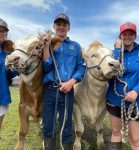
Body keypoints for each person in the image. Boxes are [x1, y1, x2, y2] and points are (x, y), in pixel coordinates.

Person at [42, 13, 85, 150]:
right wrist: (46, 47)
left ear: (69, 27)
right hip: (50, 89)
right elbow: (46, 66)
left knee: (66, 123)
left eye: (64, 24)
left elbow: (81, 67)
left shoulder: (75, 46)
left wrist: (71, 82)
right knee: (48, 123)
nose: (61, 27)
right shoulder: (49, 44)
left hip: (67, 90)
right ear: (54, 26)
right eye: (58, 24)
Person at [106, 21, 139, 150]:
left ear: (135, 36)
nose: (127, 37)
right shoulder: (114, 54)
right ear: (120, 36)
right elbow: (107, 72)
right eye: (124, 34)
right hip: (115, 98)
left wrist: (136, 91)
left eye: (131, 34)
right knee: (115, 133)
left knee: (135, 139)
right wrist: (118, 51)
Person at [0, 18, 19, 138]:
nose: (1, 33)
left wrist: (17, 68)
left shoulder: (6, 53)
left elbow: (7, 75)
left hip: (1, 96)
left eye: (3, 31)